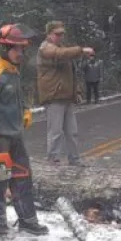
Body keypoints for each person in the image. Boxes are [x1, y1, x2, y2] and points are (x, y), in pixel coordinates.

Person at [0, 24, 49, 237]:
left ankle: (28, 220)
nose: (20, 53)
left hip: (15, 135)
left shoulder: (13, 71)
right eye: (16, 49)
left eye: (22, 49)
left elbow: (17, 96)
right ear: (5, 48)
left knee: (23, 177)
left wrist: (25, 109)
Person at [37, 20, 94, 165]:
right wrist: (81, 50)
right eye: (57, 34)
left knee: (72, 132)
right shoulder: (45, 48)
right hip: (54, 96)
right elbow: (59, 54)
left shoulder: (61, 49)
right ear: (49, 34)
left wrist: (77, 92)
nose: (60, 37)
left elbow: (71, 74)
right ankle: (53, 160)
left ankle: (74, 159)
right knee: (55, 132)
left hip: (66, 96)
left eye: (62, 34)